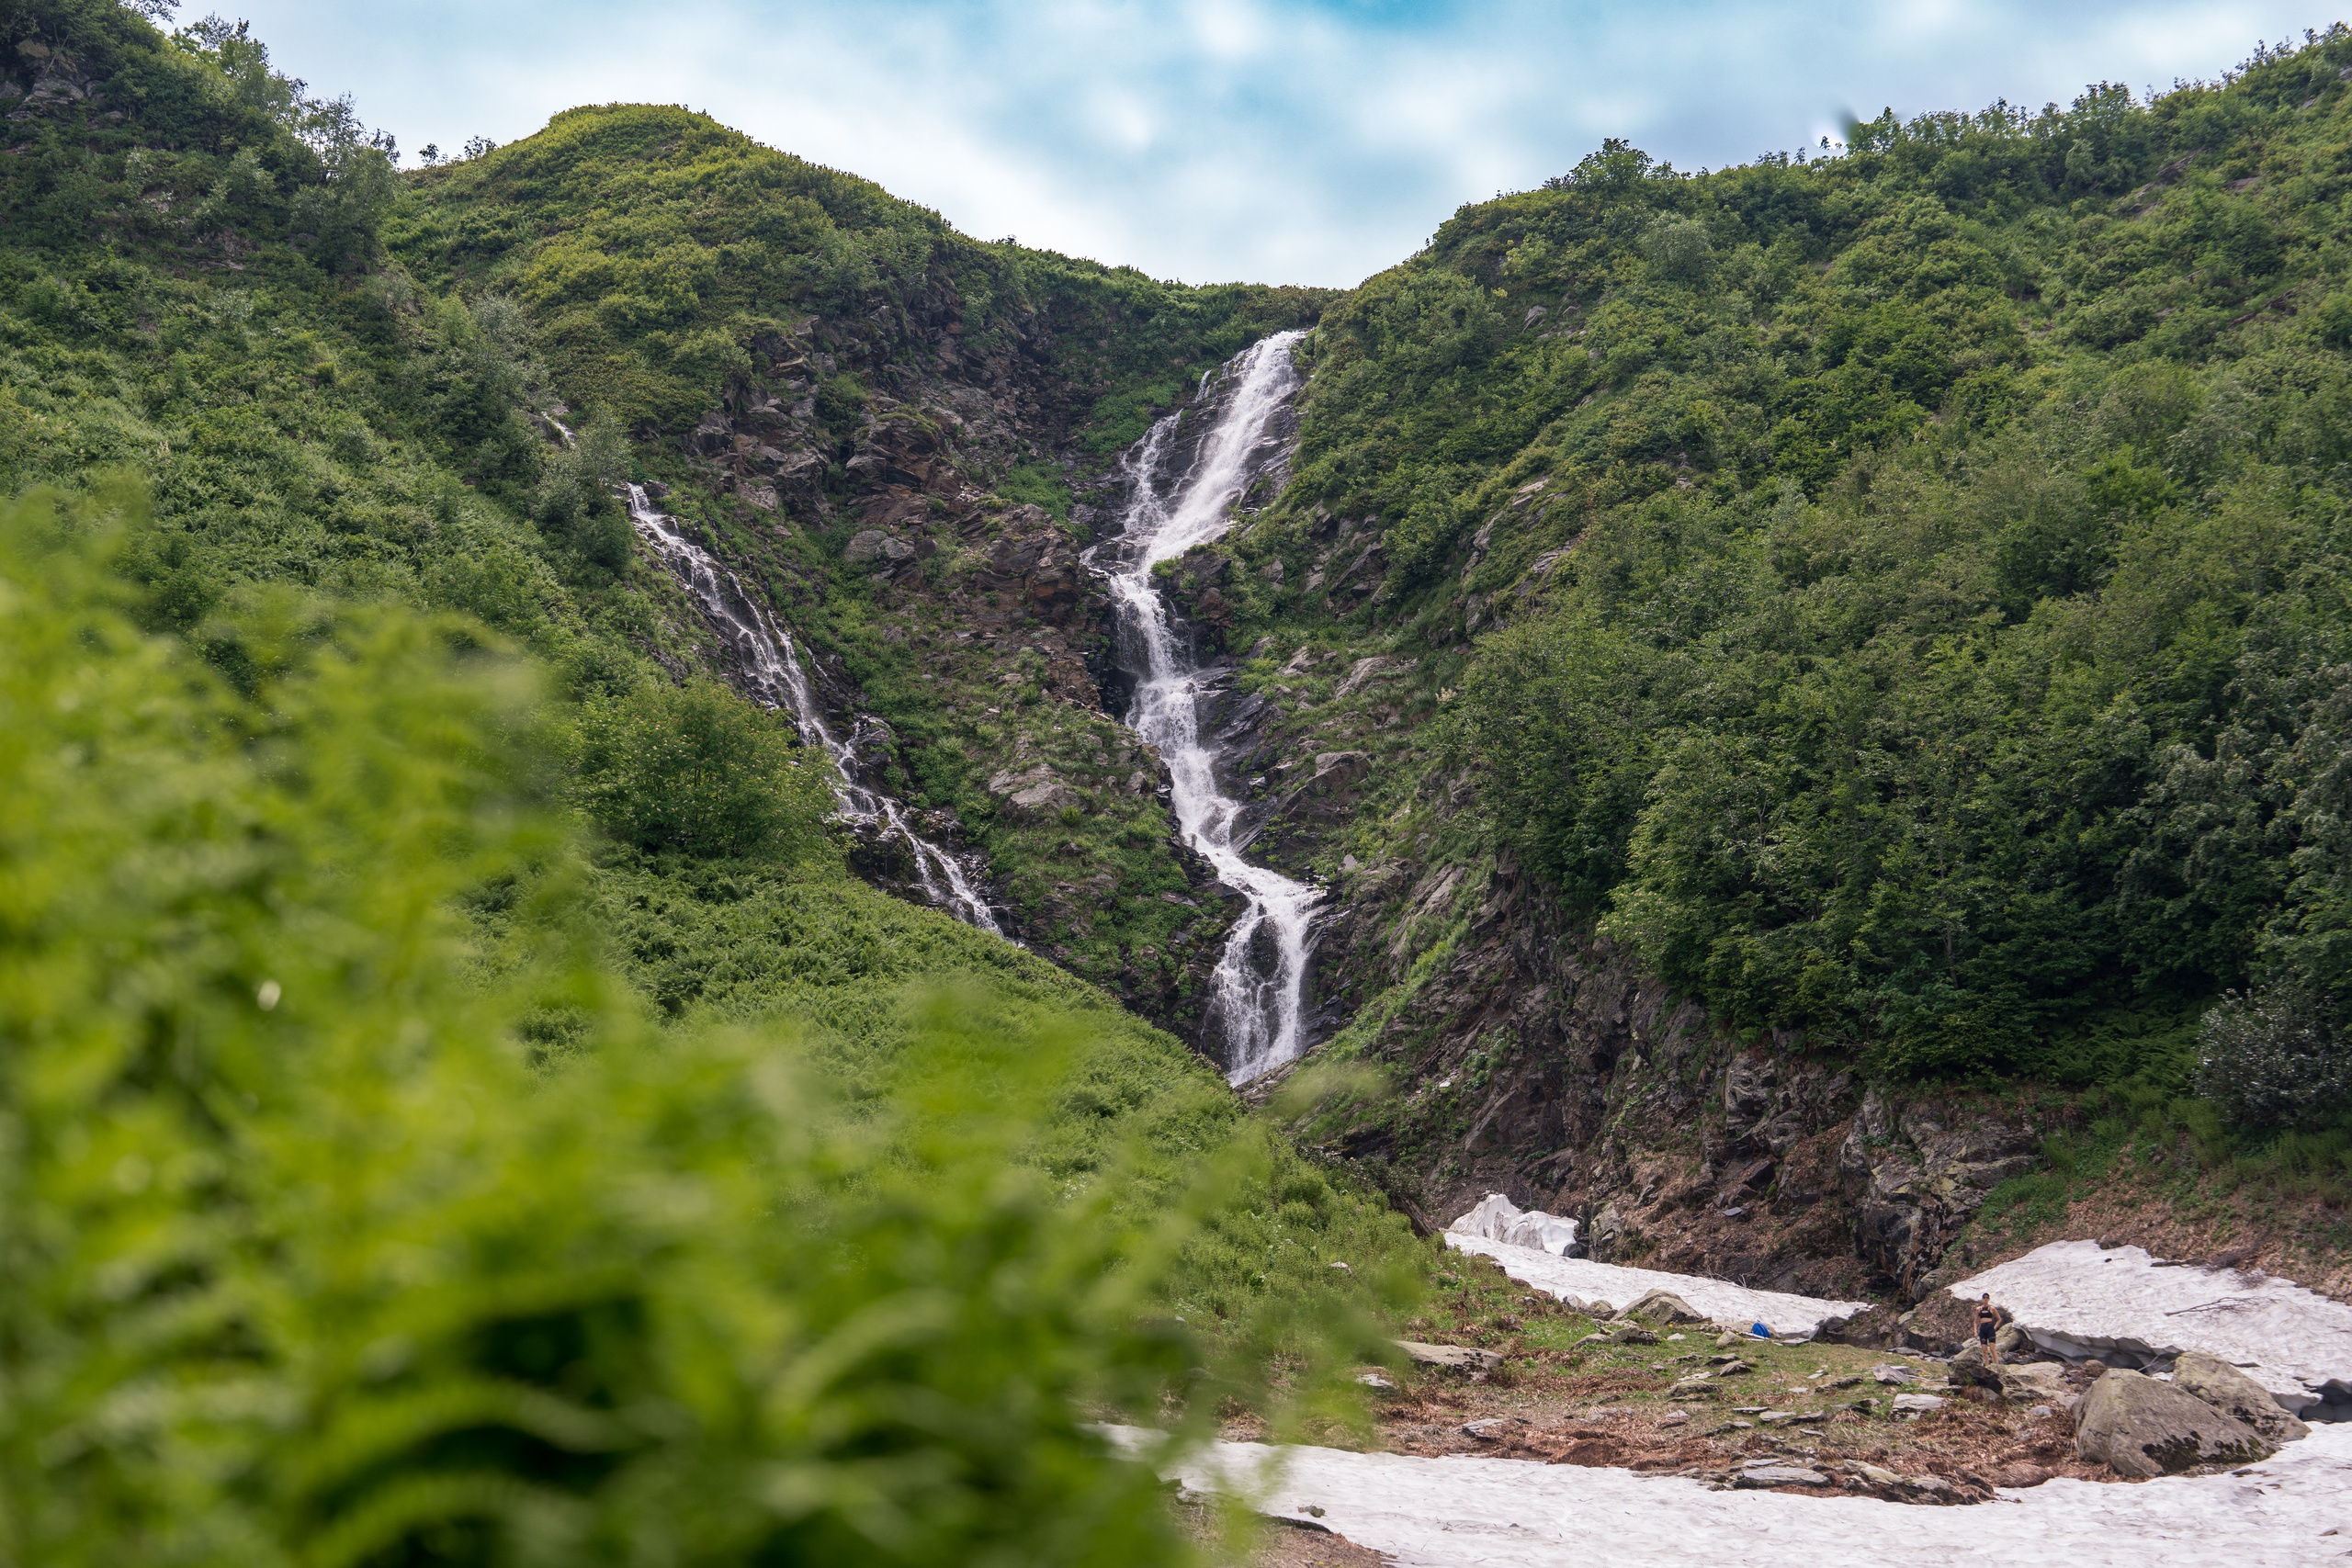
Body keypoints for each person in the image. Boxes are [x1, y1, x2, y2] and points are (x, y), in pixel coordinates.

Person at [1974, 1292, 2008, 1364]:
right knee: (1984, 1350)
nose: (1985, 1299)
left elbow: (1999, 1319)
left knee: (1992, 1348)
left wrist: (1994, 1327)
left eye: (1987, 1298)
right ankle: (1987, 1365)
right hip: (1983, 1328)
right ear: (1982, 1299)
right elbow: (1975, 1322)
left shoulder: (1992, 1308)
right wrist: (1975, 1331)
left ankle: (1996, 1364)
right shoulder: (1978, 1309)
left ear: (1989, 1299)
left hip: (1990, 1327)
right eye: (1984, 1298)